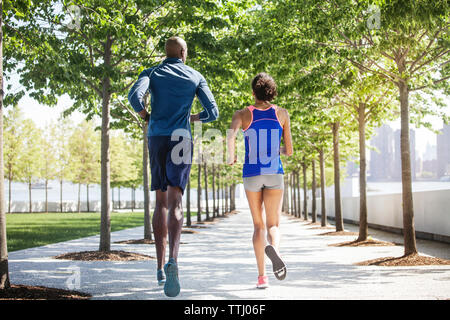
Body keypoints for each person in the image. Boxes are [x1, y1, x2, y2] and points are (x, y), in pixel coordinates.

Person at [128, 36, 219, 297]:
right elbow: (213, 111)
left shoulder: (152, 72)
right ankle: (174, 261)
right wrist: (193, 117)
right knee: (176, 201)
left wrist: (146, 114)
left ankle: (158, 268)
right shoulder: (194, 75)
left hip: (156, 136)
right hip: (182, 137)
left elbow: (135, 96)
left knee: (160, 202)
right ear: (182, 52)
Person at [227, 73, 293, 289]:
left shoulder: (243, 114)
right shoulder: (282, 113)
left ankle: (262, 277)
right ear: (272, 92)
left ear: (253, 92)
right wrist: (276, 149)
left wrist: (231, 156)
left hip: (252, 173)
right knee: (273, 224)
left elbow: (230, 135)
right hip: (274, 172)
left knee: (258, 226)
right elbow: (289, 151)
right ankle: (275, 248)